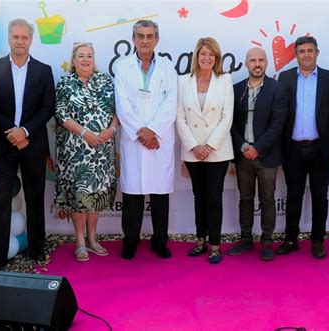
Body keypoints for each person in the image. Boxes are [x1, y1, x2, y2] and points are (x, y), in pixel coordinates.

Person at [0, 18, 55, 274]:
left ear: (31, 40)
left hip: (33, 144)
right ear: (9, 39)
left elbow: (48, 107)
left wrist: (24, 131)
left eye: (24, 37)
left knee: (35, 197)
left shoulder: (44, 71)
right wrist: (11, 132)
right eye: (16, 37)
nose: (20, 41)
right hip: (2, 144)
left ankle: (37, 248)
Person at [115, 20, 177, 260]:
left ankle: (160, 241)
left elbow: (170, 104)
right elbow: (123, 106)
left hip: (159, 140)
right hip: (135, 140)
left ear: (157, 40)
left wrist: (153, 131)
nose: (145, 40)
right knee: (133, 196)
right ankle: (130, 240)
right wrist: (141, 133)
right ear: (133, 39)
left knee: (160, 195)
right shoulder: (122, 67)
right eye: (140, 36)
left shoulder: (167, 68)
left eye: (150, 36)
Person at [276, 36, 329, 258]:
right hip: (293, 149)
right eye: (301, 51)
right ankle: (290, 239)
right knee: (293, 196)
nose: (306, 55)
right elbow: (280, 117)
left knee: (319, 196)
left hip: (321, 149)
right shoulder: (284, 79)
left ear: (317, 53)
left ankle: (317, 241)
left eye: (310, 51)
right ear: (296, 55)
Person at [54, 42, 118, 262]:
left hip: (101, 150)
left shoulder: (105, 81)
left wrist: (112, 129)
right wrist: (84, 133)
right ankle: (80, 241)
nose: (85, 60)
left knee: (97, 196)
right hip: (75, 152)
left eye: (89, 55)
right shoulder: (65, 82)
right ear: (73, 60)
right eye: (81, 56)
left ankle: (93, 239)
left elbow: (117, 110)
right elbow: (61, 114)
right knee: (79, 196)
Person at [176, 37, 234, 264]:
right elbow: (180, 117)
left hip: (217, 150)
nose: (207, 58)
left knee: (214, 198)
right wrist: (194, 146)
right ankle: (200, 240)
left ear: (216, 58)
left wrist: (209, 146)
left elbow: (226, 116)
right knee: (198, 198)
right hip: (192, 150)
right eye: (203, 54)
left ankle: (215, 245)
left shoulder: (225, 80)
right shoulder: (183, 81)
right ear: (196, 56)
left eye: (211, 54)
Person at [228, 47, 287, 261]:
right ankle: (245, 239)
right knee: (245, 198)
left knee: (267, 199)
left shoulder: (277, 89)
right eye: (253, 60)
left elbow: (277, 124)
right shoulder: (235, 89)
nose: (257, 64)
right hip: (243, 154)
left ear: (267, 63)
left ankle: (267, 241)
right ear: (246, 63)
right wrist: (244, 146)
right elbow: (230, 123)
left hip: (267, 155)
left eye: (261, 60)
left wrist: (258, 148)